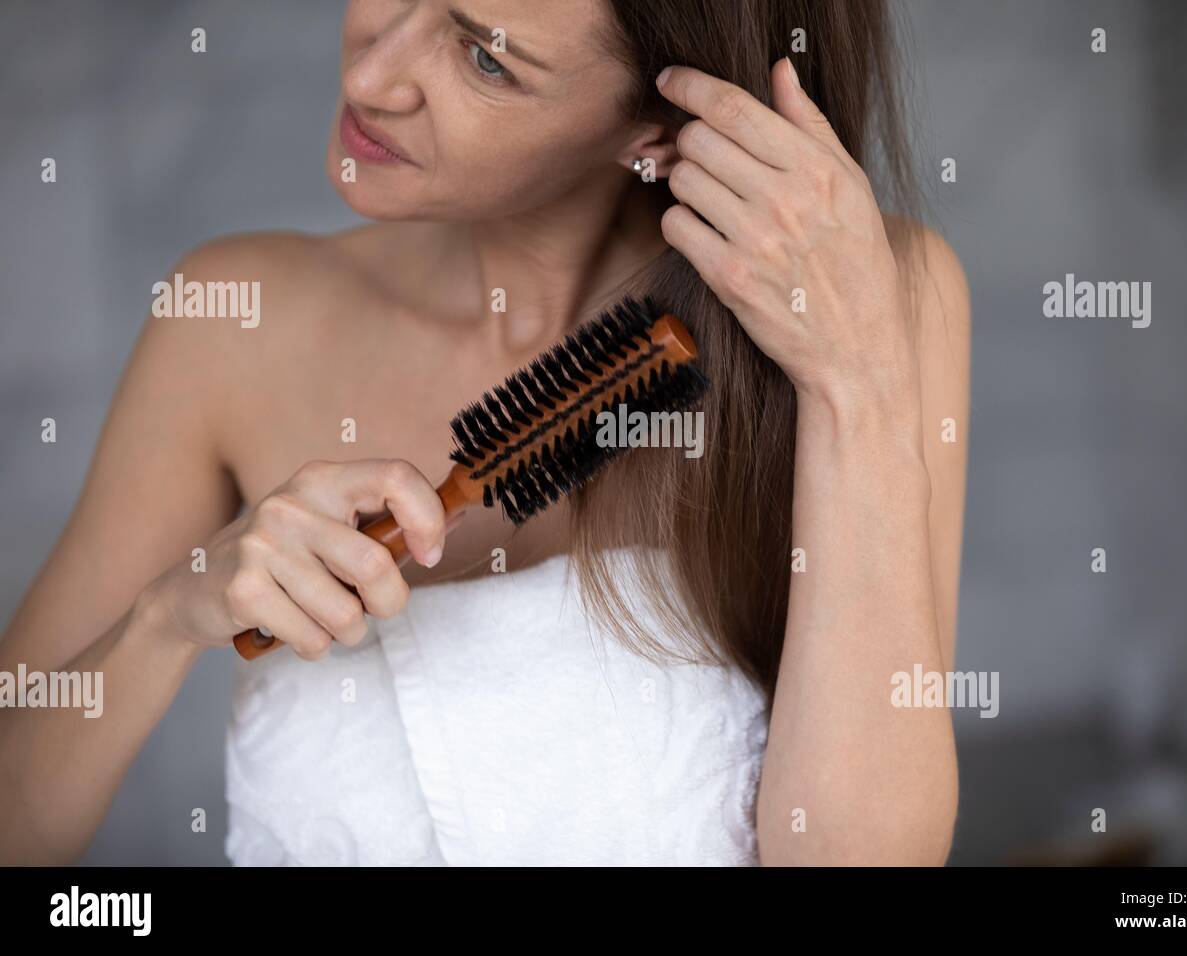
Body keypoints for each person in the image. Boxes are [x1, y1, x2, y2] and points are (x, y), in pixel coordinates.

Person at [0, 0, 969, 865]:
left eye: (485, 58)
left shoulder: (872, 300)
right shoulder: (231, 319)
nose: (371, 76)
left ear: (657, 128)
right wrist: (167, 617)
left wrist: (854, 383)